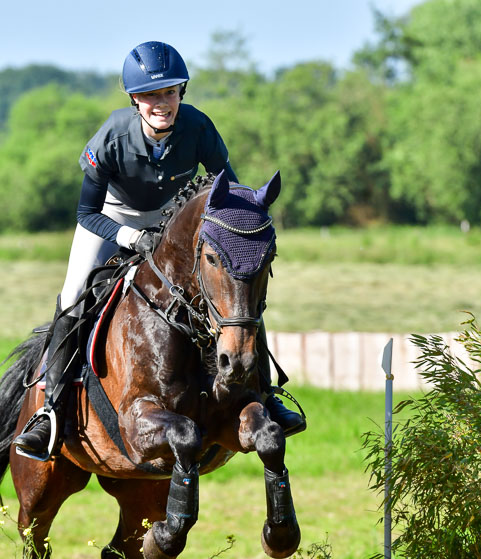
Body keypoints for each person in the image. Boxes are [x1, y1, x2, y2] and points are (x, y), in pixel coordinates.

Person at [13, 41, 305, 461]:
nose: (161, 103)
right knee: (75, 294)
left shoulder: (199, 128)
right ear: (135, 99)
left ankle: (266, 394)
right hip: (113, 220)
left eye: (169, 92)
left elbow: (230, 193)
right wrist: (130, 238)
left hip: (173, 222)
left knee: (234, 289)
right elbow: (86, 213)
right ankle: (49, 412)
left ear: (180, 93)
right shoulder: (111, 137)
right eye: (151, 95)